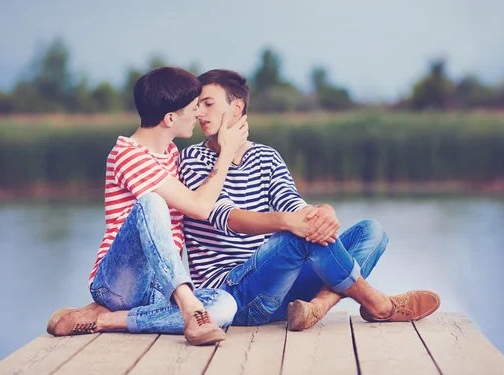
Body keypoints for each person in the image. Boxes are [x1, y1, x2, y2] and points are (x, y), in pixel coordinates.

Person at [178, 69, 440, 331]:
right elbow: (228, 218)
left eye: (208, 104)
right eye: (197, 105)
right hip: (233, 296)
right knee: (299, 234)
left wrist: (323, 212)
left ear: (236, 108)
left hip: (283, 294)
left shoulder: (266, 157)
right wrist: (290, 222)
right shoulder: (192, 159)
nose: (199, 112)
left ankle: (316, 307)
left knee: (372, 231)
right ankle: (379, 304)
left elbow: (293, 204)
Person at [46, 67, 249, 345]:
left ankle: (107, 319)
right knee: (152, 202)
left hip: (159, 288)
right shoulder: (128, 155)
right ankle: (189, 309)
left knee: (225, 306)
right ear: (169, 118)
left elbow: (201, 203)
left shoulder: (171, 153)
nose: (199, 114)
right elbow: (199, 207)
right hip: (119, 283)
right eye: (193, 108)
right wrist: (225, 154)